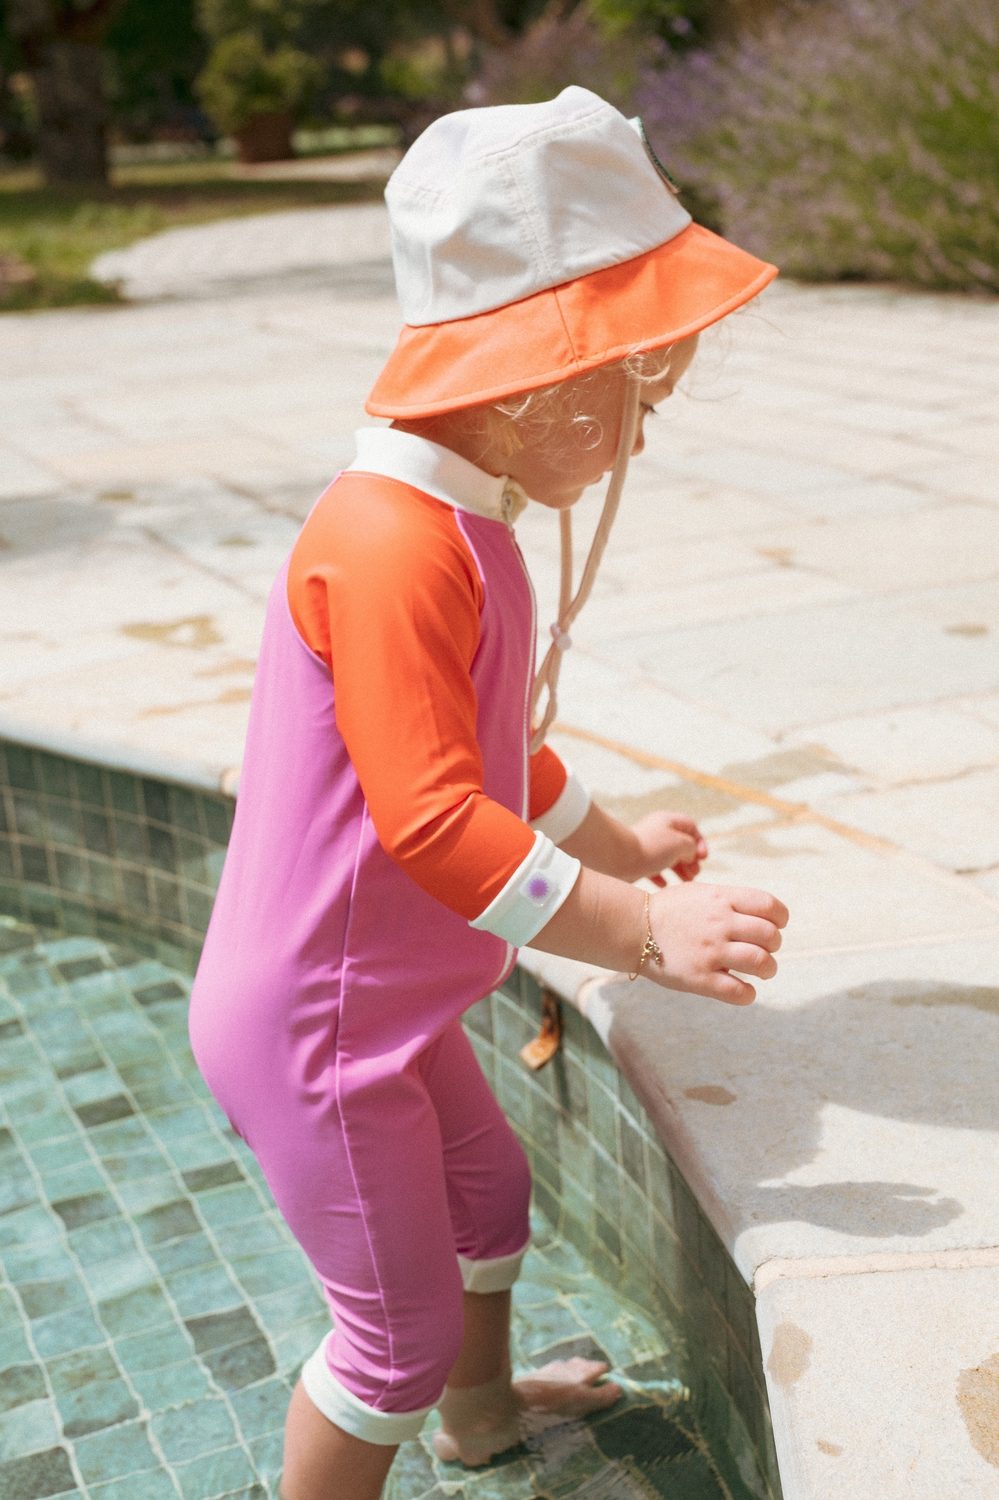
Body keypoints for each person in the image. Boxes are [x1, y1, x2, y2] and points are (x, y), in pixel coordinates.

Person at [188, 85, 789, 1500]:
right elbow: (438, 822)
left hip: (384, 1008)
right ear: (541, 381)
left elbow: (496, 753)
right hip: (322, 1032)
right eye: (637, 401)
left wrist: (618, 845)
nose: (635, 442)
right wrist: (642, 933)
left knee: (487, 1196)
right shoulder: (393, 548)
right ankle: (416, 1413)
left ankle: (482, 1417)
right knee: (386, 1344)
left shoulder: (465, 530)